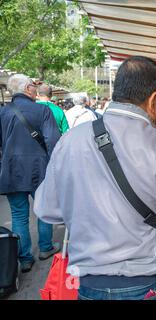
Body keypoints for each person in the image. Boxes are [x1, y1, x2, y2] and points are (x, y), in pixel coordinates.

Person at [33, 56, 156, 300]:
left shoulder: (69, 141)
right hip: (149, 284)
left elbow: (47, 209)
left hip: (88, 284)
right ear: (153, 100)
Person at [0, 74, 61, 272]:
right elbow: (53, 142)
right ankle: (45, 248)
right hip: (39, 169)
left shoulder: (3, 113)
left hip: (11, 170)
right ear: (28, 88)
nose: (36, 89)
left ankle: (24, 258)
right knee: (43, 209)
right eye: (34, 86)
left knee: (18, 216)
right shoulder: (42, 110)